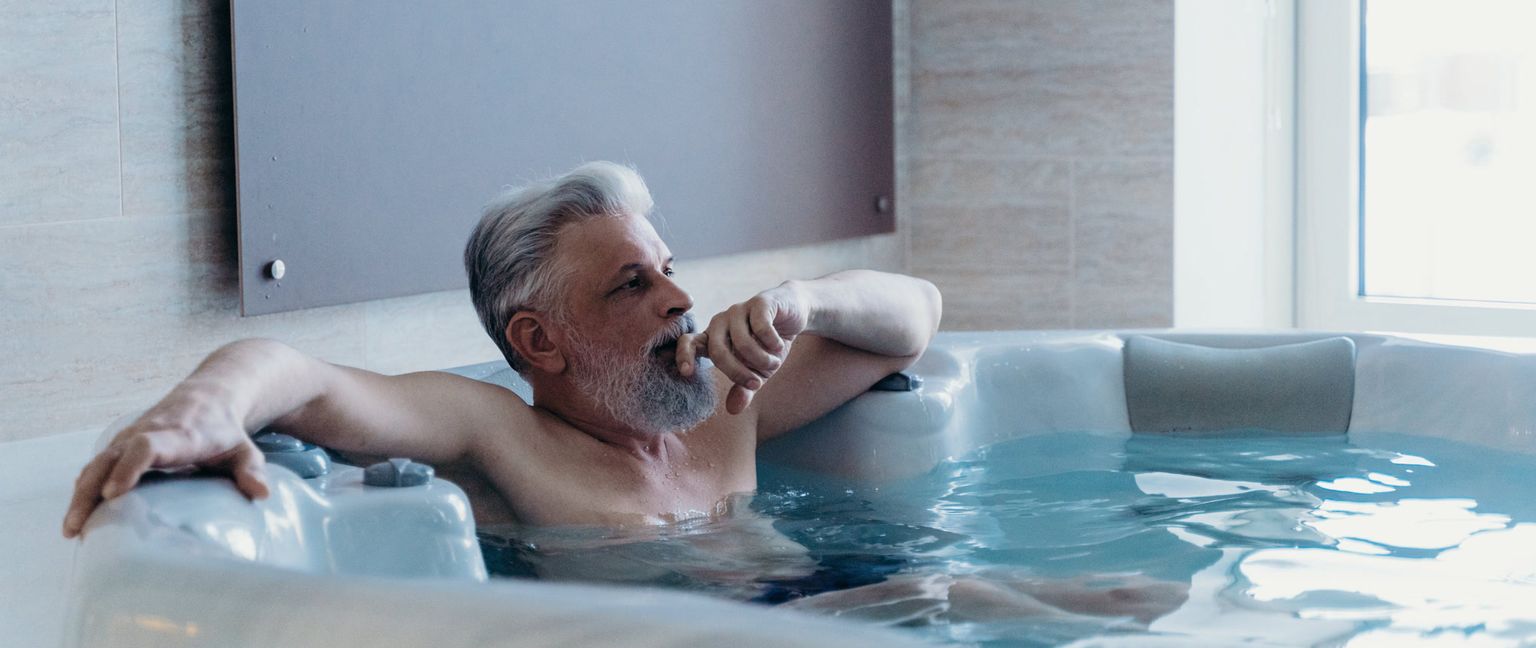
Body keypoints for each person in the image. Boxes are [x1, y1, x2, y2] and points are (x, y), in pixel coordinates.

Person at [61, 161, 1182, 626]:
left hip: (846, 608)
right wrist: (197, 411)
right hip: (667, 636)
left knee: (1142, 599)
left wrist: (804, 295)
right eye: (634, 285)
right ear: (539, 340)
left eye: (671, 267)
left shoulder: (726, 400)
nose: (679, 300)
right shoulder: (501, 434)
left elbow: (920, 314)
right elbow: (300, 379)